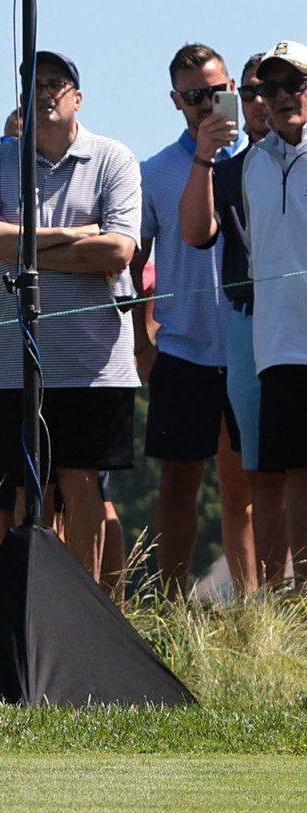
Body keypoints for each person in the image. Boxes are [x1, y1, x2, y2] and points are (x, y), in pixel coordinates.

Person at [0, 52, 141, 581]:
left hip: (93, 360)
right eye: (34, 85)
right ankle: (36, 602)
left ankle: (84, 607)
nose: (45, 93)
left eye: (56, 84)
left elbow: (117, 252)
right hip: (16, 361)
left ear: (78, 98)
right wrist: (72, 235)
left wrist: (18, 250)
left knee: (82, 480)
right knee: (27, 486)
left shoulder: (113, 158)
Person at [135, 43, 254, 596]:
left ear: (232, 88)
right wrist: (142, 338)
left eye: (215, 91)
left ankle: (255, 609)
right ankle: (167, 604)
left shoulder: (259, 161)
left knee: (244, 489)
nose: (206, 105)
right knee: (177, 485)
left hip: (248, 342)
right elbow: (134, 263)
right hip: (182, 347)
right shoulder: (155, 170)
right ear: (175, 100)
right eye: (193, 95)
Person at [179, 52, 288, 587]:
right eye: (250, 91)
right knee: (261, 471)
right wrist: (203, 157)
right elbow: (196, 234)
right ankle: (273, 605)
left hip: (297, 322)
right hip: (248, 324)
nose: (262, 99)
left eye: (276, 87)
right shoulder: (230, 168)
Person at [242, 40, 307, 576]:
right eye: (270, 87)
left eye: (295, 85)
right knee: (296, 471)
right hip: (278, 344)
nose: (283, 96)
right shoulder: (252, 165)